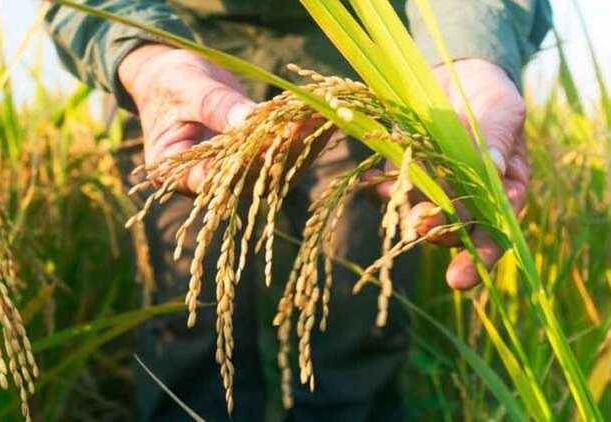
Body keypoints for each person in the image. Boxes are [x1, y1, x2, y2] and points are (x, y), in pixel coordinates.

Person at [45, 1, 551, 420]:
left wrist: (467, 61)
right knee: (186, 316)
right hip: (174, 45)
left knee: (355, 320)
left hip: (358, 56)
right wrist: (146, 56)